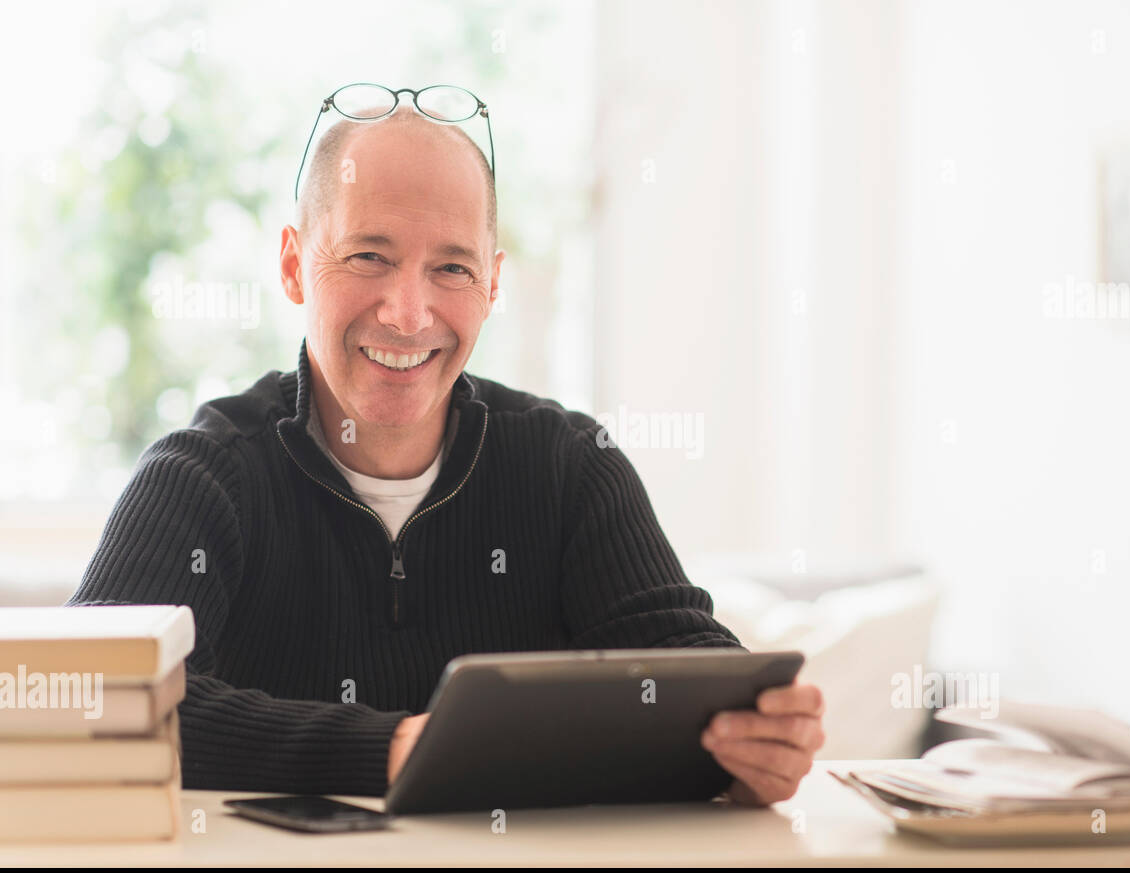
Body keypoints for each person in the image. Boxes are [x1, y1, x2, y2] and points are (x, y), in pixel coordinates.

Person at [69, 98, 825, 805]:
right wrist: (391, 748)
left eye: (453, 268)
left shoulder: (569, 466)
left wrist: (751, 745)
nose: (408, 313)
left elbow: (686, 667)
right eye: (369, 256)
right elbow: (90, 700)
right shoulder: (202, 476)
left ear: (493, 284)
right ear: (295, 264)